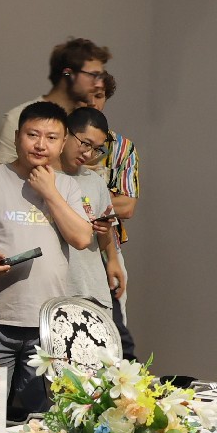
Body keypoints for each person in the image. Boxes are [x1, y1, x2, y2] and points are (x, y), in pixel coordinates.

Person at [0, 101, 93, 421]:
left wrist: (50, 192)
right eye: (33, 135)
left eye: (51, 138)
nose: (41, 144)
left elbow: (81, 238)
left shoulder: (67, 186)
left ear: (63, 143)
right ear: (17, 136)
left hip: (46, 324)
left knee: (42, 419)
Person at [0, 37, 111, 166]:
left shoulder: (86, 123)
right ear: (68, 74)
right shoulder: (17, 118)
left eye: (101, 77)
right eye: (93, 75)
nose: (99, 84)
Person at [86, 71, 139, 358]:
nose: (92, 101)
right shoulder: (55, 139)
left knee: (113, 336)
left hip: (108, 251)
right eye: (87, 94)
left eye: (99, 95)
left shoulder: (121, 147)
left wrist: (81, 201)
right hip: (60, 250)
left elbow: (127, 205)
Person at [56, 107, 126, 311]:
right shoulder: (41, 177)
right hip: (57, 293)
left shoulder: (95, 182)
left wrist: (111, 255)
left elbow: (104, 238)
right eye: (85, 143)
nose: (88, 154)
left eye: (96, 149)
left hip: (93, 293)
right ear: (65, 133)